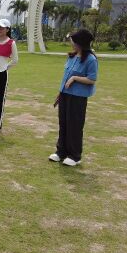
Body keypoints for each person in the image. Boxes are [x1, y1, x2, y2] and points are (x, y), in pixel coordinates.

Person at [49, 29, 98, 167]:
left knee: (74, 126)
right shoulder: (72, 56)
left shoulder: (91, 60)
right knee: (63, 123)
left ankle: (75, 156)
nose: (72, 43)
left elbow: (92, 79)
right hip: (65, 95)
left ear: (80, 43)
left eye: (73, 41)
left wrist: (75, 78)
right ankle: (61, 152)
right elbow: (65, 76)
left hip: (78, 97)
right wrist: (60, 93)